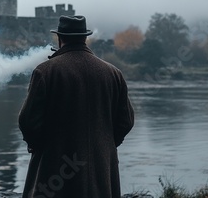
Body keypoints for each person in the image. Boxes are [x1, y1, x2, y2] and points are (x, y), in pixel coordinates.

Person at [19, 15, 134, 198]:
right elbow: (126, 122)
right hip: (101, 169)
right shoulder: (114, 73)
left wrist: (41, 148)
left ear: (60, 38)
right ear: (85, 38)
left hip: (54, 171)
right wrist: (106, 145)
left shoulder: (45, 71)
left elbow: (27, 122)